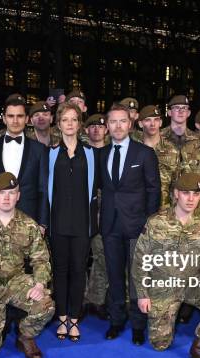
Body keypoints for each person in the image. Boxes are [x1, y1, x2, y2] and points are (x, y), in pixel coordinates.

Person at [132, 173, 200, 358]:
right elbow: (140, 259)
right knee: (159, 344)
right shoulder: (156, 222)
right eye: (185, 193)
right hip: (163, 286)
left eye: (195, 194)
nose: (190, 199)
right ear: (176, 193)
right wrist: (143, 295)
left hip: (192, 282)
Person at [0, 172, 54, 358]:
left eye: (12, 193)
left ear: (18, 196)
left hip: (16, 282)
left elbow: (41, 259)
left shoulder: (28, 225)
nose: (7, 198)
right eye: (2, 193)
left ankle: (25, 336)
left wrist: (39, 285)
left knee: (45, 305)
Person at [99, 103, 161, 345]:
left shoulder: (144, 153)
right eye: (112, 121)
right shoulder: (101, 154)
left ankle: (137, 324)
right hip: (110, 225)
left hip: (137, 225)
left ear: (130, 124)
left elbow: (153, 190)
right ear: (107, 126)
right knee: (114, 275)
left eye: (122, 121)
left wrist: (149, 222)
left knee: (137, 278)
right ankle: (116, 320)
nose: (117, 126)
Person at [48, 103, 98, 341]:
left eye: (74, 119)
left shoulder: (90, 154)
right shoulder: (49, 153)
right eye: (65, 120)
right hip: (57, 221)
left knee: (78, 270)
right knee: (60, 270)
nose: (69, 124)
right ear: (58, 124)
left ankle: (75, 319)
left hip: (81, 222)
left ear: (79, 124)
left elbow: (98, 190)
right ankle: (61, 317)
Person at [0, 94, 49, 227]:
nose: (15, 121)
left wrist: (43, 223)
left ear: (27, 119)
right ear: (4, 119)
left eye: (20, 116)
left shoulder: (39, 150)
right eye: (10, 116)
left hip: (29, 218)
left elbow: (43, 188)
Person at [82, 114, 110, 320]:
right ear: (86, 130)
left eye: (100, 127)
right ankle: (80, 300)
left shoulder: (113, 151)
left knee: (101, 256)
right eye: (92, 127)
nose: (96, 130)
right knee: (80, 257)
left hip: (106, 211)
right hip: (81, 210)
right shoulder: (80, 151)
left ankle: (96, 299)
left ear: (106, 130)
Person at [138, 105, 179, 208]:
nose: (152, 124)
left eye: (156, 120)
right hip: (137, 208)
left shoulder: (172, 150)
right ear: (140, 123)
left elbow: (176, 184)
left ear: (160, 123)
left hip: (164, 209)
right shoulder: (133, 149)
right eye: (148, 120)